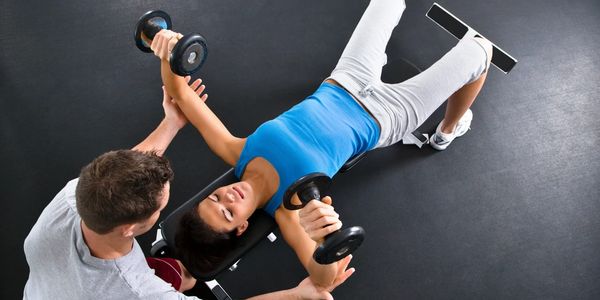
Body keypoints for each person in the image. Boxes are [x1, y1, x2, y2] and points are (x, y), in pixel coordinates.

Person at [151, 0, 493, 289]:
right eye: (227, 212)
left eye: (214, 197)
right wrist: (318, 238)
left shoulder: (238, 151)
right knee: (481, 51)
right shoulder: (288, 211)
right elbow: (323, 277)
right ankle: (446, 132)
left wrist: (167, 49)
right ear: (242, 227)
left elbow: (181, 92)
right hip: (388, 116)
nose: (227, 196)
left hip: (346, 79)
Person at [23, 77, 354, 299]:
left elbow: (124, 165)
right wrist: (298, 294)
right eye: (161, 204)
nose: (225, 195)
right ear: (131, 229)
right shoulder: (139, 291)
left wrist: (171, 123)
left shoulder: (72, 199)